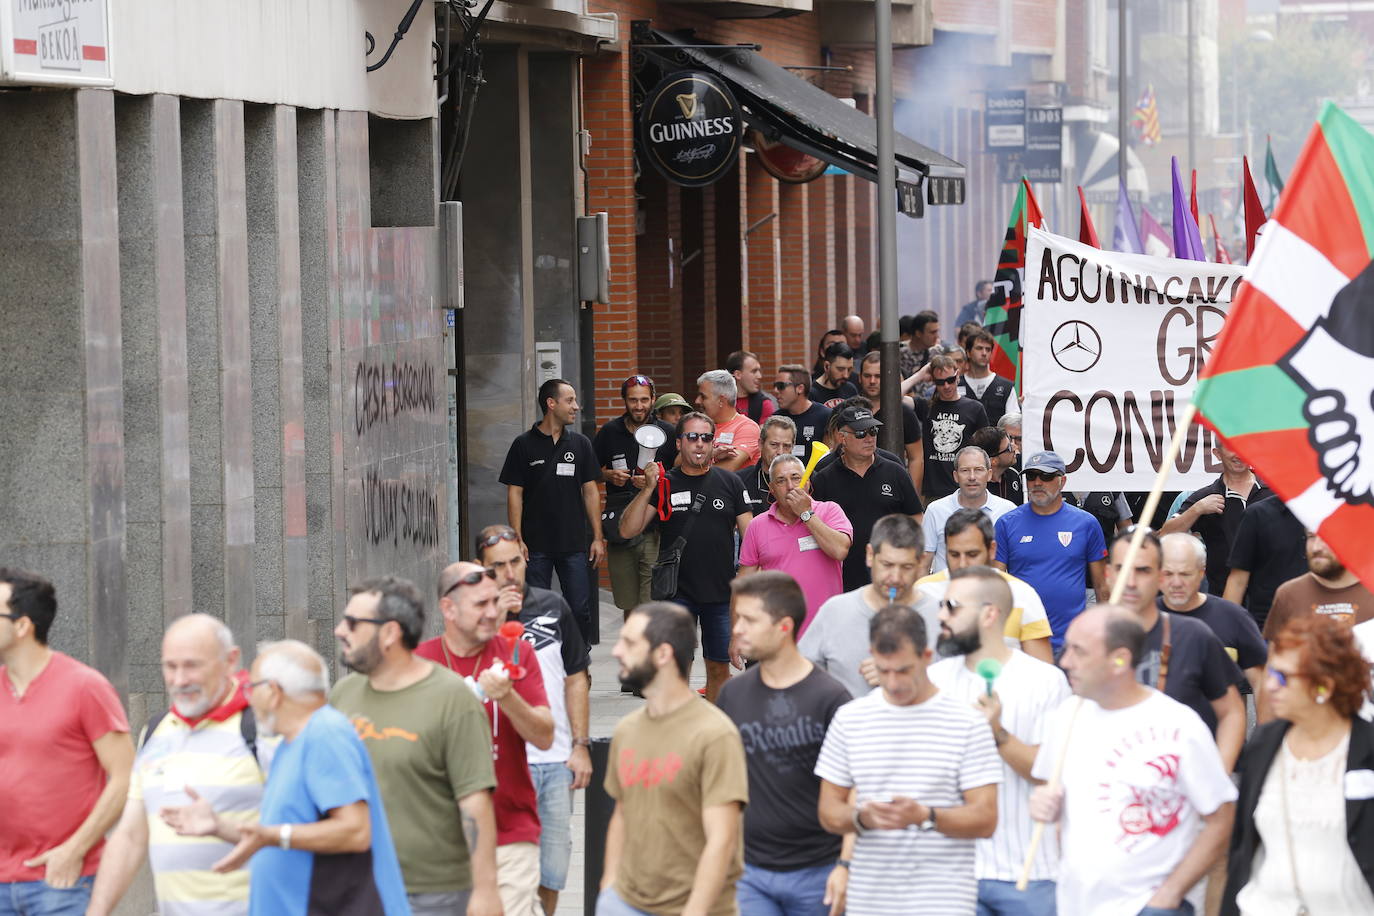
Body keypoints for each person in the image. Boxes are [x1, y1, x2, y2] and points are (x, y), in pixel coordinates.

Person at [161, 640, 410, 915]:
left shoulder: (326, 733)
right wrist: (219, 826)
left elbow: (355, 831)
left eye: (251, 687)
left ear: (273, 691)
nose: (248, 697)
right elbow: (278, 834)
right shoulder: (291, 743)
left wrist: (274, 835)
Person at [1029, 606, 1238, 916]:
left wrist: (1169, 895)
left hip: (1148, 907)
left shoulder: (1180, 725)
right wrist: (1044, 805)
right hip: (1075, 904)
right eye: (1066, 648)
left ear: (1120, 659)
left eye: (1079, 651)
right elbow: (1059, 801)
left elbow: (1222, 817)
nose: (1064, 661)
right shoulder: (1065, 717)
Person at [329, 577, 502, 916]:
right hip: (356, 886)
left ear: (390, 633)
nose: (339, 630)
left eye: (352, 623)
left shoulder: (452, 699)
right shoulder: (342, 695)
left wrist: (485, 892)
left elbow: (475, 803)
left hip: (431, 895)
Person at [815, 605, 1000, 916]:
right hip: (868, 902)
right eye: (884, 671)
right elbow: (828, 812)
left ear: (926, 656)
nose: (893, 683)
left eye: (903, 670)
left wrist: (925, 815)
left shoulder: (966, 722)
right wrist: (863, 819)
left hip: (944, 902)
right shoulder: (850, 719)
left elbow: (986, 818)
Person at [88, 615, 266, 916]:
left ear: (230, 660)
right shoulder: (156, 730)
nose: (180, 680)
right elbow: (130, 836)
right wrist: (97, 911)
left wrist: (225, 828)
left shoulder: (263, 728)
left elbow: (303, 833)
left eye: (192, 665)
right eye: (170, 667)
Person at [928, 566, 1071, 915]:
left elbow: (1055, 775)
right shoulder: (932, 679)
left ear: (990, 614)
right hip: (950, 875)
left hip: (1028, 873)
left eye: (952, 606)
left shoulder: (1045, 681)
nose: (941, 615)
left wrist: (999, 735)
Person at [419, 562, 555, 916]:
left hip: (509, 835)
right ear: (448, 608)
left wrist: (508, 698)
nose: (493, 613)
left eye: (495, 602)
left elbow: (544, 735)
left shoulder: (516, 652)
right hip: (438, 841)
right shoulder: (421, 664)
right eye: (481, 605)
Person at [598, 602, 748, 916]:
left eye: (630, 643)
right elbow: (621, 816)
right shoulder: (627, 730)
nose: (617, 651)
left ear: (663, 654)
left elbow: (722, 839)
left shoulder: (715, 735)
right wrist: (609, 890)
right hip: (626, 902)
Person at [718, 572, 853, 916]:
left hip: (818, 870)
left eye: (749, 620)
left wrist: (846, 866)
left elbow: (856, 789)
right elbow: (721, 783)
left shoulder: (831, 698)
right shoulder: (732, 694)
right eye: (737, 619)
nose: (737, 629)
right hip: (750, 873)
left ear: (784, 626)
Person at [0, 568, 132, 914]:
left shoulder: (85, 687)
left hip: (61, 881)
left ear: (22, 625)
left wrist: (74, 850)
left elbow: (124, 777)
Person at [475, 525, 593, 916]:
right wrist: (498, 618)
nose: (509, 573)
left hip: (555, 761)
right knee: (505, 869)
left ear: (526, 557)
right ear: (482, 570)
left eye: (514, 562)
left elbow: (576, 677)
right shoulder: (474, 619)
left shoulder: (552, 607)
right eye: (497, 567)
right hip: (502, 765)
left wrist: (580, 746)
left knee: (553, 868)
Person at [1222, 615, 1374, 915]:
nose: (1270, 686)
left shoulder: (1367, 750)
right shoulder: (1265, 744)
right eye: (1271, 673)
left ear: (1324, 687)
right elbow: (1242, 847)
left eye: (1283, 677)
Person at [619, 411, 752, 702]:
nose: (700, 444)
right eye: (692, 437)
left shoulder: (730, 483)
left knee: (719, 669)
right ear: (679, 443)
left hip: (720, 593)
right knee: (677, 669)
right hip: (677, 593)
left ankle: (712, 733)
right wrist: (649, 488)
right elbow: (628, 529)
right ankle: (681, 729)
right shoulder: (667, 482)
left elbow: (752, 538)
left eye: (706, 438)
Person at [1107, 529, 1246, 771]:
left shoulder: (1196, 635)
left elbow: (1232, 712)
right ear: (1108, 574)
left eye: (1143, 571)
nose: (1131, 581)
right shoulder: (1089, 636)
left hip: (1186, 779)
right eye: (1122, 569)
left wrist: (1219, 777)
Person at [499, 376, 605, 641]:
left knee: (580, 609)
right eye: (569, 400)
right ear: (551, 403)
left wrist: (598, 537)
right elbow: (514, 493)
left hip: (574, 543)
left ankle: (578, 661)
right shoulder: (523, 444)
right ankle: (541, 662)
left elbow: (591, 491)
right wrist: (517, 538)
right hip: (535, 546)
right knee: (535, 609)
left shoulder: (580, 444)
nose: (576, 406)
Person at [799, 514, 927, 698]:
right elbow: (801, 676)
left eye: (906, 567)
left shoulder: (941, 616)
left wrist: (908, 675)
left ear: (921, 562)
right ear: (870, 555)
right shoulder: (835, 612)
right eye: (887, 565)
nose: (895, 578)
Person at [994, 451, 1108, 655]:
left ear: (1062, 481)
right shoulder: (1006, 523)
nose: (1037, 482)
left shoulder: (1087, 523)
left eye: (1046, 476)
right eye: (1031, 476)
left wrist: (1105, 633)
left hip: (1071, 641)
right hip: (1022, 641)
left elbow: (1101, 585)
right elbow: (996, 584)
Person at [914, 509, 1055, 664]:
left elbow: (1042, 669)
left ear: (992, 550)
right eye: (954, 554)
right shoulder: (923, 592)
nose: (962, 564)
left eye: (972, 555)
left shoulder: (1022, 595)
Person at [810, 406, 923, 591]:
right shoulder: (824, 478)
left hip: (889, 575)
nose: (870, 438)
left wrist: (906, 553)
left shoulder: (895, 471)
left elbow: (915, 517)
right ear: (842, 437)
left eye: (873, 430)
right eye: (861, 433)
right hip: (842, 577)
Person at [737, 455, 852, 633]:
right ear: (772, 489)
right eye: (781, 481)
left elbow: (839, 550)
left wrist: (806, 514)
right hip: (777, 633)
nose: (790, 486)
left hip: (825, 631)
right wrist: (737, 632)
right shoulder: (757, 525)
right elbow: (744, 584)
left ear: (807, 483)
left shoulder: (830, 510)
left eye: (796, 478)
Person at [596, 375, 679, 616]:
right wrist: (609, 476)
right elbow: (589, 473)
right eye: (633, 400)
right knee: (628, 603)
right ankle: (634, 650)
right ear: (624, 400)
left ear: (654, 400)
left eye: (644, 400)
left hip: (655, 528)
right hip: (620, 527)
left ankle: (649, 652)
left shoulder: (667, 432)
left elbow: (682, 474)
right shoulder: (610, 432)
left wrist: (656, 482)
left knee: (651, 603)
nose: (639, 406)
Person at [1160, 532, 1267, 698]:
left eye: (1185, 574)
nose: (1176, 583)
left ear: (1201, 573)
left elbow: (1261, 685)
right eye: (1168, 574)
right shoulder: (1139, 619)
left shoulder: (1234, 617)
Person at [1162, 443, 1272, 596]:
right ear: (1217, 454)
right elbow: (1164, 535)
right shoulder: (1204, 497)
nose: (1238, 454)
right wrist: (1196, 510)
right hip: (1222, 595)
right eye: (1230, 447)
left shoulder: (1274, 492)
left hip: (1270, 595)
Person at [1262, 530, 1374, 641]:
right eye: (1311, 537)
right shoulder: (1289, 594)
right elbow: (1276, 654)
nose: (1316, 548)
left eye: (1328, 537)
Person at [920, 446, 1015, 575]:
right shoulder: (935, 510)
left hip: (991, 592)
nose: (972, 477)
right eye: (965, 470)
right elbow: (924, 563)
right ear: (955, 476)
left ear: (989, 474)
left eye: (978, 470)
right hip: (945, 592)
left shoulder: (1008, 511)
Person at [1223, 494, 1307, 632]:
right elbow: (1238, 580)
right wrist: (1226, 635)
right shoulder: (1257, 514)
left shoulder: (1335, 511)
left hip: (1324, 624)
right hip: (1269, 626)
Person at [923, 354, 990, 501]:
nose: (946, 386)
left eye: (950, 380)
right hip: (935, 491)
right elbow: (892, 397)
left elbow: (986, 451)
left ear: (957, 376)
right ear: (933, 382)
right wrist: (921, 375)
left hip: (967, 489)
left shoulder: (975, 408)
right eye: (940, 382)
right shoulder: (926, 406)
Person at [856, 351, 925, 493]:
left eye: (878, 376)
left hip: (893, 486)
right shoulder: (849, 410)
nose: (872, 381)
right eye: (867, 376)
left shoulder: (903, 412)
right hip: (854, 484)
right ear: (859, 378)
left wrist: (913, 496)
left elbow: (916, 458)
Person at [696, 369, 762, 472]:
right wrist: (710, 454)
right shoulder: (698, 426)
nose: (697, 401)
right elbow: (678, 463)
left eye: (703, 397)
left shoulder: (746, 427)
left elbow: (727, 469)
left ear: (721, 400)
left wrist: (694, 466)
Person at [736, 415, 797, 515]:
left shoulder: (808, 479)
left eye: (786, 446)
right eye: (774, 445)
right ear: (760, 444)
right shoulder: (740, 480)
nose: (780, 452)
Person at [957, 329, 1016, 428]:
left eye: (988, 349)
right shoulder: (955, 384)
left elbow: (1013, 423)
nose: (984, 353)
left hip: (996, 442)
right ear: (968, 353)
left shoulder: (1006, 387)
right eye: (979, 348)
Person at [773, 365, 832, 452]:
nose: (775, 390)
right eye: (774, 386)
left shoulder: (825, 416)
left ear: (800, 388)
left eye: (781, 386)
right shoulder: (776, 419)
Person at [973, 425, 1023, 506]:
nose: (1015, 448)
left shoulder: (1014, 475)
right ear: (993, 461)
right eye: (1009, 448)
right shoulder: (975, 485)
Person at [727, 350, 776, 425]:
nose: (759, 376)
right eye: (754, 371)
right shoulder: (722, 402)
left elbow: (766, 436)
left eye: (759, 371)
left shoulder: (763, 404)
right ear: (738, 375)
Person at [810, 343, 859, 409]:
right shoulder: (811, 393)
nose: (846, 375)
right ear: (827, 366)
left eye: (849, 369)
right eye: (840, 369)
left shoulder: (851, 389)